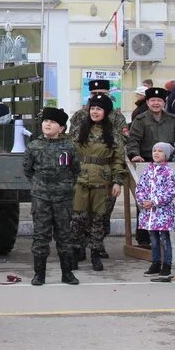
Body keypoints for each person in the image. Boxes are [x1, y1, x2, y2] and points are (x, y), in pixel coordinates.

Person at [70, 93, 127, 272]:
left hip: (103, 181)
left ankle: (95, 253)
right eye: (93, 108)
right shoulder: (80, 130)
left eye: (99, 109)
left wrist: (118, 182)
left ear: (106, 112)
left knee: (98, 218)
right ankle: (76, 251)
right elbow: (69, 152)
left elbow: (118, 160)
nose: (95, 112)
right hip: (81, 179)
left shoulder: (113, 134)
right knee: (77, 218)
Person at [127, 87, 175, 244]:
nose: (156, 103)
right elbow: (133, 140)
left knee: (164, 200)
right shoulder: (140, 120)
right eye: (152, 100)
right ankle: (143, 238)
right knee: (144, 202)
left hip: (166, 165)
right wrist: (134, 154)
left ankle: (165, 236)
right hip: (146, 164)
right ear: (148, 102)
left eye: (159, 101)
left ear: (164, 103)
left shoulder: (172, 120)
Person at [23, 107, 80, 286]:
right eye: (46, 121)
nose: (48, 124)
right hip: (41, 198)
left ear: (61, 128)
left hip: (63, 198)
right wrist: (39, 186)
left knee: (64, 236)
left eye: (53, 122)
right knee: (41, 236)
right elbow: (28, 170)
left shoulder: (69, 146)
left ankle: (67, 273)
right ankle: (39, 274)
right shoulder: (33, 146)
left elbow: (75, 170)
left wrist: (64, 185)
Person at [135, 142, 175, 277]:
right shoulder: (148, 170)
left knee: (164, 238)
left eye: (160, 151)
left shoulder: (168, 172)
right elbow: (140, 187)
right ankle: (155, 263)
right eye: (155, 150)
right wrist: (143, 201)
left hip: (163, 212)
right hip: (149, 213)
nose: (156, 153)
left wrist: (154, 202)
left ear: (166, 155)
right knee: (153, 238)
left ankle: (167, 264)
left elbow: (171, 191)